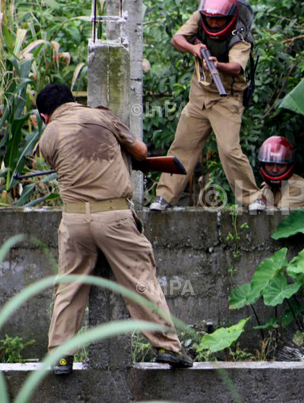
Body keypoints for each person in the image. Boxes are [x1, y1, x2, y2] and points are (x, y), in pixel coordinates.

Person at [36, 83, 192, 375]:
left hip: (74, 223)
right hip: (115, 217)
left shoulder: (49, 135)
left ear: (45, 116)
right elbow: (141, 151)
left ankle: (60, 356)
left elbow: (64, 160)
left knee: (69, 287)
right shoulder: (103, 117)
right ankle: (167, 347)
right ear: (72, 100)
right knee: (140, 279)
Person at [150, 0, 263, 212]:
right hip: (198, 96)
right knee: (182, 146)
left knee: (229, 150)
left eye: (218, 19)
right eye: (210, 19)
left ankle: (252, 198)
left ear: (229, 16)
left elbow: (236, 67)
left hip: (226, 99)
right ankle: (164, 197)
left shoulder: (240, 34)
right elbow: (178, 38)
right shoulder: (201, 17)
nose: (213, 22)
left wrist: (216, 64)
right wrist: (195, 49)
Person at [258, 136, 304, 208]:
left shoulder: (299, 187)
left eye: (281, 165)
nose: (275, 170)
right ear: (263, 165)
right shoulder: (266, 187)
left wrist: (261, 201)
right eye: (270, 164)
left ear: (288, 165)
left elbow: (279, 215)